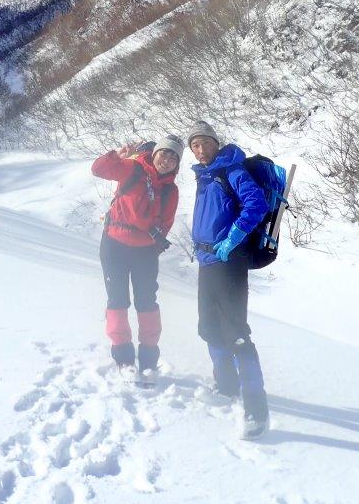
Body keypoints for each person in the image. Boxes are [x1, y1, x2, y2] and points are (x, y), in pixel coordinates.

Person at [188, 120, 270, 438]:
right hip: (207, 261)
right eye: (195, 145)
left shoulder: (231, 170)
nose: (200, 148)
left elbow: (256, 204)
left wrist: (231, 239)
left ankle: (256, 410)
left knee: (236, 333)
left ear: (215, 143)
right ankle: (226, 387)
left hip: (229, 260)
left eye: (205, 142)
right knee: (209, 327)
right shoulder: (205, 176)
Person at [92, 136, 182, 373]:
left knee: (147, 301)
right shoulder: (133, 168)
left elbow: (166, 223)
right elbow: (98, 169)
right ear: (155, 153)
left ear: (177, 164)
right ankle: (123, 356)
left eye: (174, 157)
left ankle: (149, 357)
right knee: (117, 298)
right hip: (114, 245)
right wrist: (117, 155)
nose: (168, 159)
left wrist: (152, 242)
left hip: (145, 252)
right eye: (165, 153)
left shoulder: (170, 190)